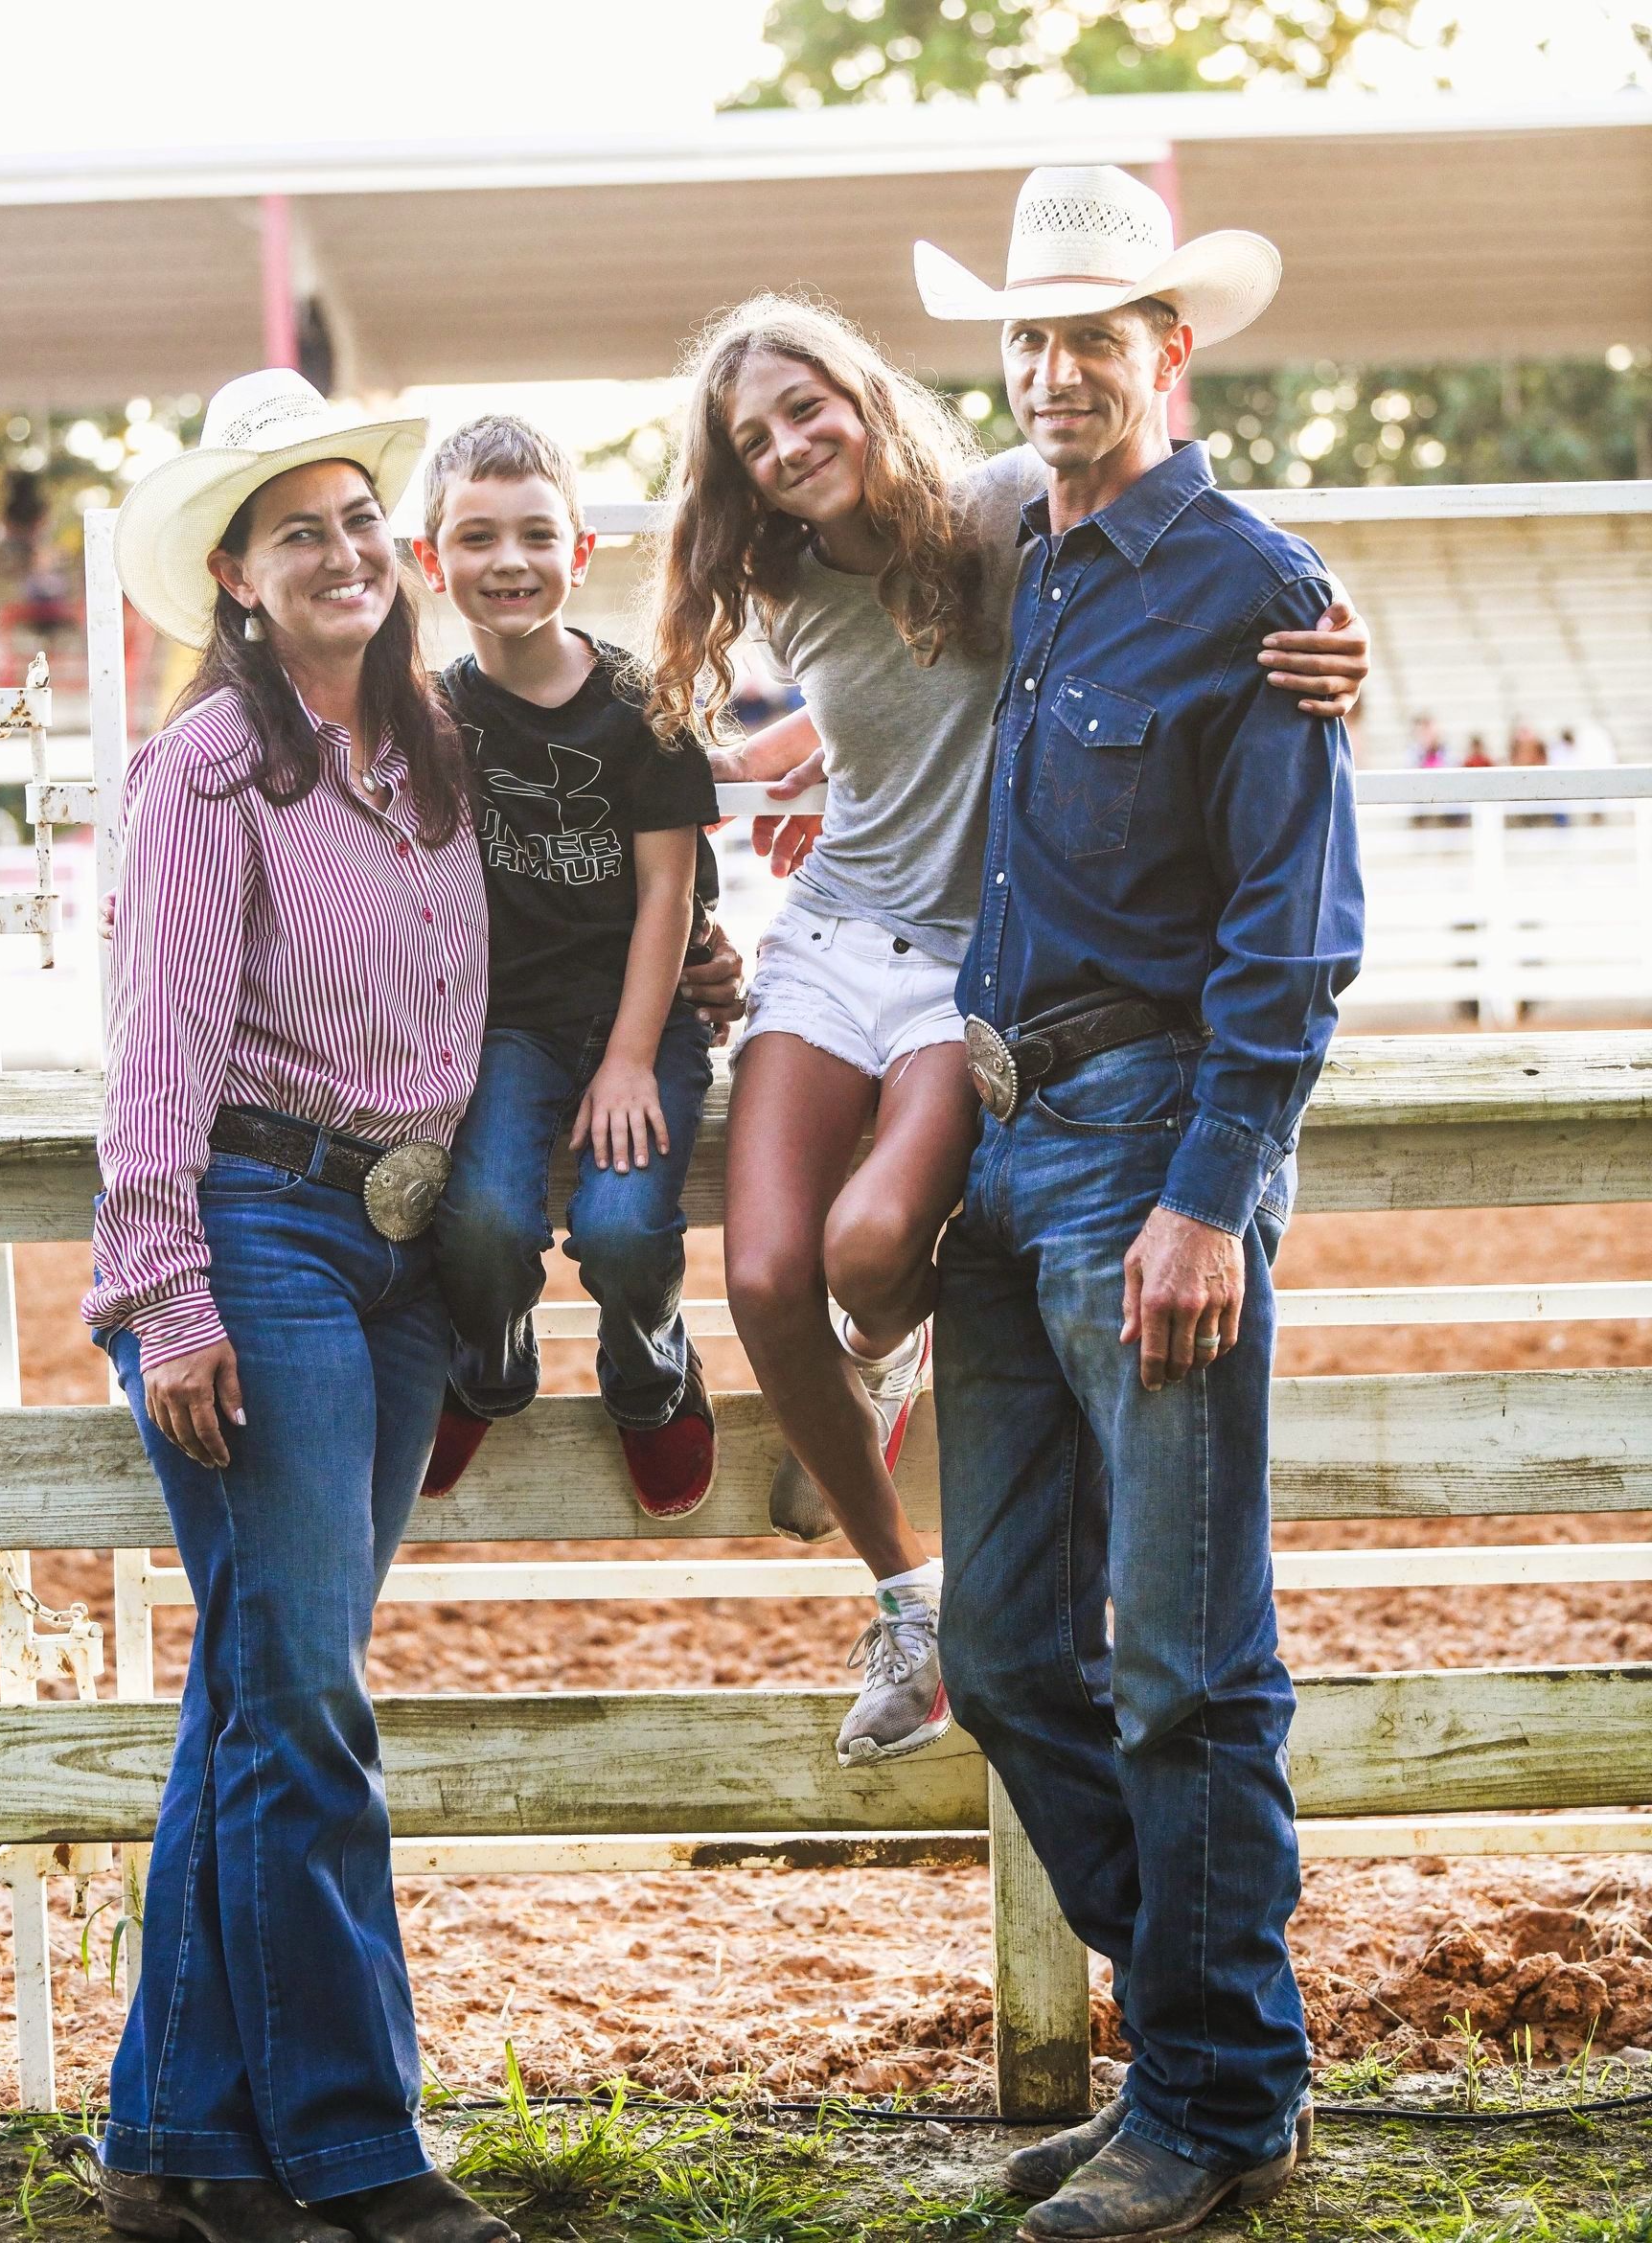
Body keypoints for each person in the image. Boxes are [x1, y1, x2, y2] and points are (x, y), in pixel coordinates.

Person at [647, 296, 1367, 1769]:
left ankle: (890, 1337)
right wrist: (800, 768)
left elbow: (1204, 558)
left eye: (810, 408)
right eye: (754, 437)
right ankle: (907, 1597)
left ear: (864, 393)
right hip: (834, 933)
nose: (790, 446)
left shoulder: (993, 506)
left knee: (864, 1251)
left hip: (968, 964)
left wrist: (1343, 634)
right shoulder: (771, 567)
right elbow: (875, 706)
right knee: (767, 1267)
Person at [917, 167, 1361, 2237]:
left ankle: (1213, 2093)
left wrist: (1214, 1190)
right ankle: (1205, 2045)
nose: (1053, 369)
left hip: (1152, 1150)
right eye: (1029, 338)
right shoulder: (1033, 560)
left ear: (1169, 356)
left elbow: (1295, 933)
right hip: (1001, 1155)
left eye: (1093, 338)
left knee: (1188, 1657)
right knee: (1006, 1648)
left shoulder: (1259, 585)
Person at [79, 369, 514, 2243]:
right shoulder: (205, 773)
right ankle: (352, 2147)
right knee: (306, 1698)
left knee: (266, 1691)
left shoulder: (442, 745)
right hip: (254, 1235)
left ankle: (174, 2142)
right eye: (294, 532)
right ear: (241, 581)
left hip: (408, 1258)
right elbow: (156, 1045)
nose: (340, 550)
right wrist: (168, 1290)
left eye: (355, 518)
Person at [416, 415, 721, 1518]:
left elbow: (667, 894)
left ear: (580, 551)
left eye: (538, 535)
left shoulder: (647, 706)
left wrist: (634, 1057)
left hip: (641, 1018)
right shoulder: (432, 716)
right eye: (478, 537)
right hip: (504, 1028)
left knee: (624, 1227)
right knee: (486, 1220)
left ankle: (650, 1370)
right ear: (431, 560)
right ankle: (488, 1365)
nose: (509, 561)